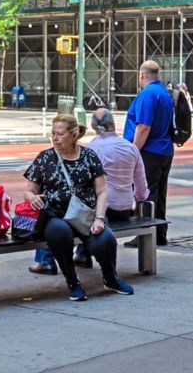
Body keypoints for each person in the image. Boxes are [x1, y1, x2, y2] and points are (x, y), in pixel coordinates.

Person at [24, 114, 134, 301]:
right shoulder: (45, 157)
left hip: (85, 214)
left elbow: (102, 191)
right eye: (53, 133)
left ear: (74, 135)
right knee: (59, 232)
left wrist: (99, 218)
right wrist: (32, 198)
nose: (55, 138)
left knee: (105, 239)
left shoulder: (89, 156)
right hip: (56, 215)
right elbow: (29, 191)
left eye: (60, 134)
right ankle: (72, 282)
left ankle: (111, 278)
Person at [29, 108, 150, 272]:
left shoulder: (93, 150)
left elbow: (89, 189)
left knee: (59, 210)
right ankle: (82, 254)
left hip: (104, 211)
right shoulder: (131, 148)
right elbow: (141, 188)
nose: (55, 138)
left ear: (93, 126)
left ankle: (47, 259)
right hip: (126, 208)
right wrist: (138, 201)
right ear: (113, 124)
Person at [123, 60, 174, 248]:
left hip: (149, 151)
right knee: (160, 194)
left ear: (141, 75)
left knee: (145, 193)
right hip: (165, 150)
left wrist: (133, 151)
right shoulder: (164, 93)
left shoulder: (147, 94)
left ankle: (145, 236)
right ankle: (160, 234)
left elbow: (143, 127)